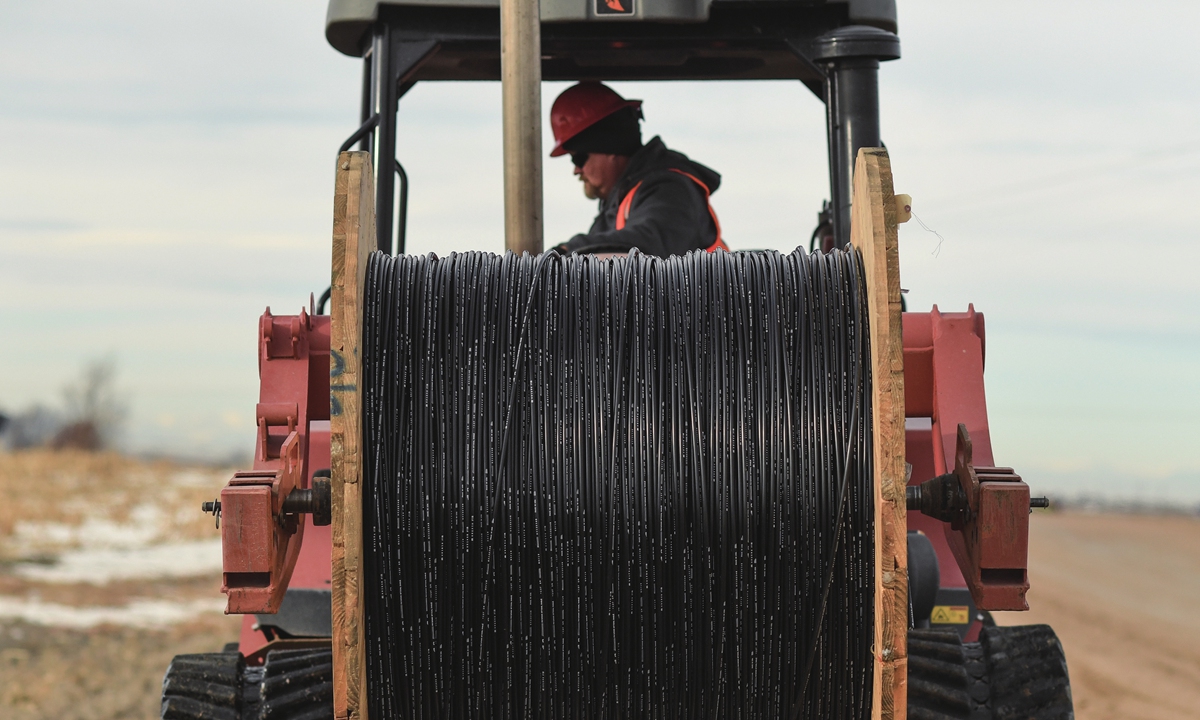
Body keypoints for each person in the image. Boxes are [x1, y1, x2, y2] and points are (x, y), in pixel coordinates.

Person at [549, 82, 728, 258]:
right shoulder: (617, 207)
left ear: (610, 147)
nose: (576, 170)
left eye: (579, 159)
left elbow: (652, 244)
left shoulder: (671, 190)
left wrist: (570, 250)